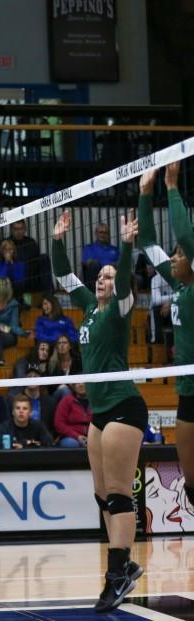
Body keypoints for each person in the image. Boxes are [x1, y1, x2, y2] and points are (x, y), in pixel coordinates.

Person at [52, 208, 146, 612]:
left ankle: (117, 574)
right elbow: (63, 277)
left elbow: (124, 279)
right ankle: (124, 563)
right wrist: (57, 240)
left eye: (108, 277)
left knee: (118, 494)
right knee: (100, 496)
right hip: (100, 411)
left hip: (125, 406)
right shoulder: (89, 305)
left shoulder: (120, 309)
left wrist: (126, 246)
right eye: (100, 276)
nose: (101, 280)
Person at [137, 163, 194, 515]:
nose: (173, 258)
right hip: (187, 391)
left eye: (179, 255)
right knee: (191, 483)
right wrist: (145, 193)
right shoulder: (178, 287)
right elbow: (146, 241)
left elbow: (187, 237)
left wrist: (172, 186)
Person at [81, 221, 119, 290]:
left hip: (111, 276)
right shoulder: (89, 248)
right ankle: (94, 295)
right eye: (100, 232)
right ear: (96, 233)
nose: (103, 235)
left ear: (108, 234)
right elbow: (87, 263)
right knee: (94, 265)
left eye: (105, 232)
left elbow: (120, 263)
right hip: (96, 277)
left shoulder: (115, 249)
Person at [53, 382, 91, 448]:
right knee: (71, 444)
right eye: (78, 382)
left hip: (92, 436)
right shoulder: (66, 400)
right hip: (71, 437)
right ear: (73, 386)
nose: (81, 385)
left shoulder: (95, 400)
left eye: (84, 382)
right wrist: (77, 436)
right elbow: (59, 424)